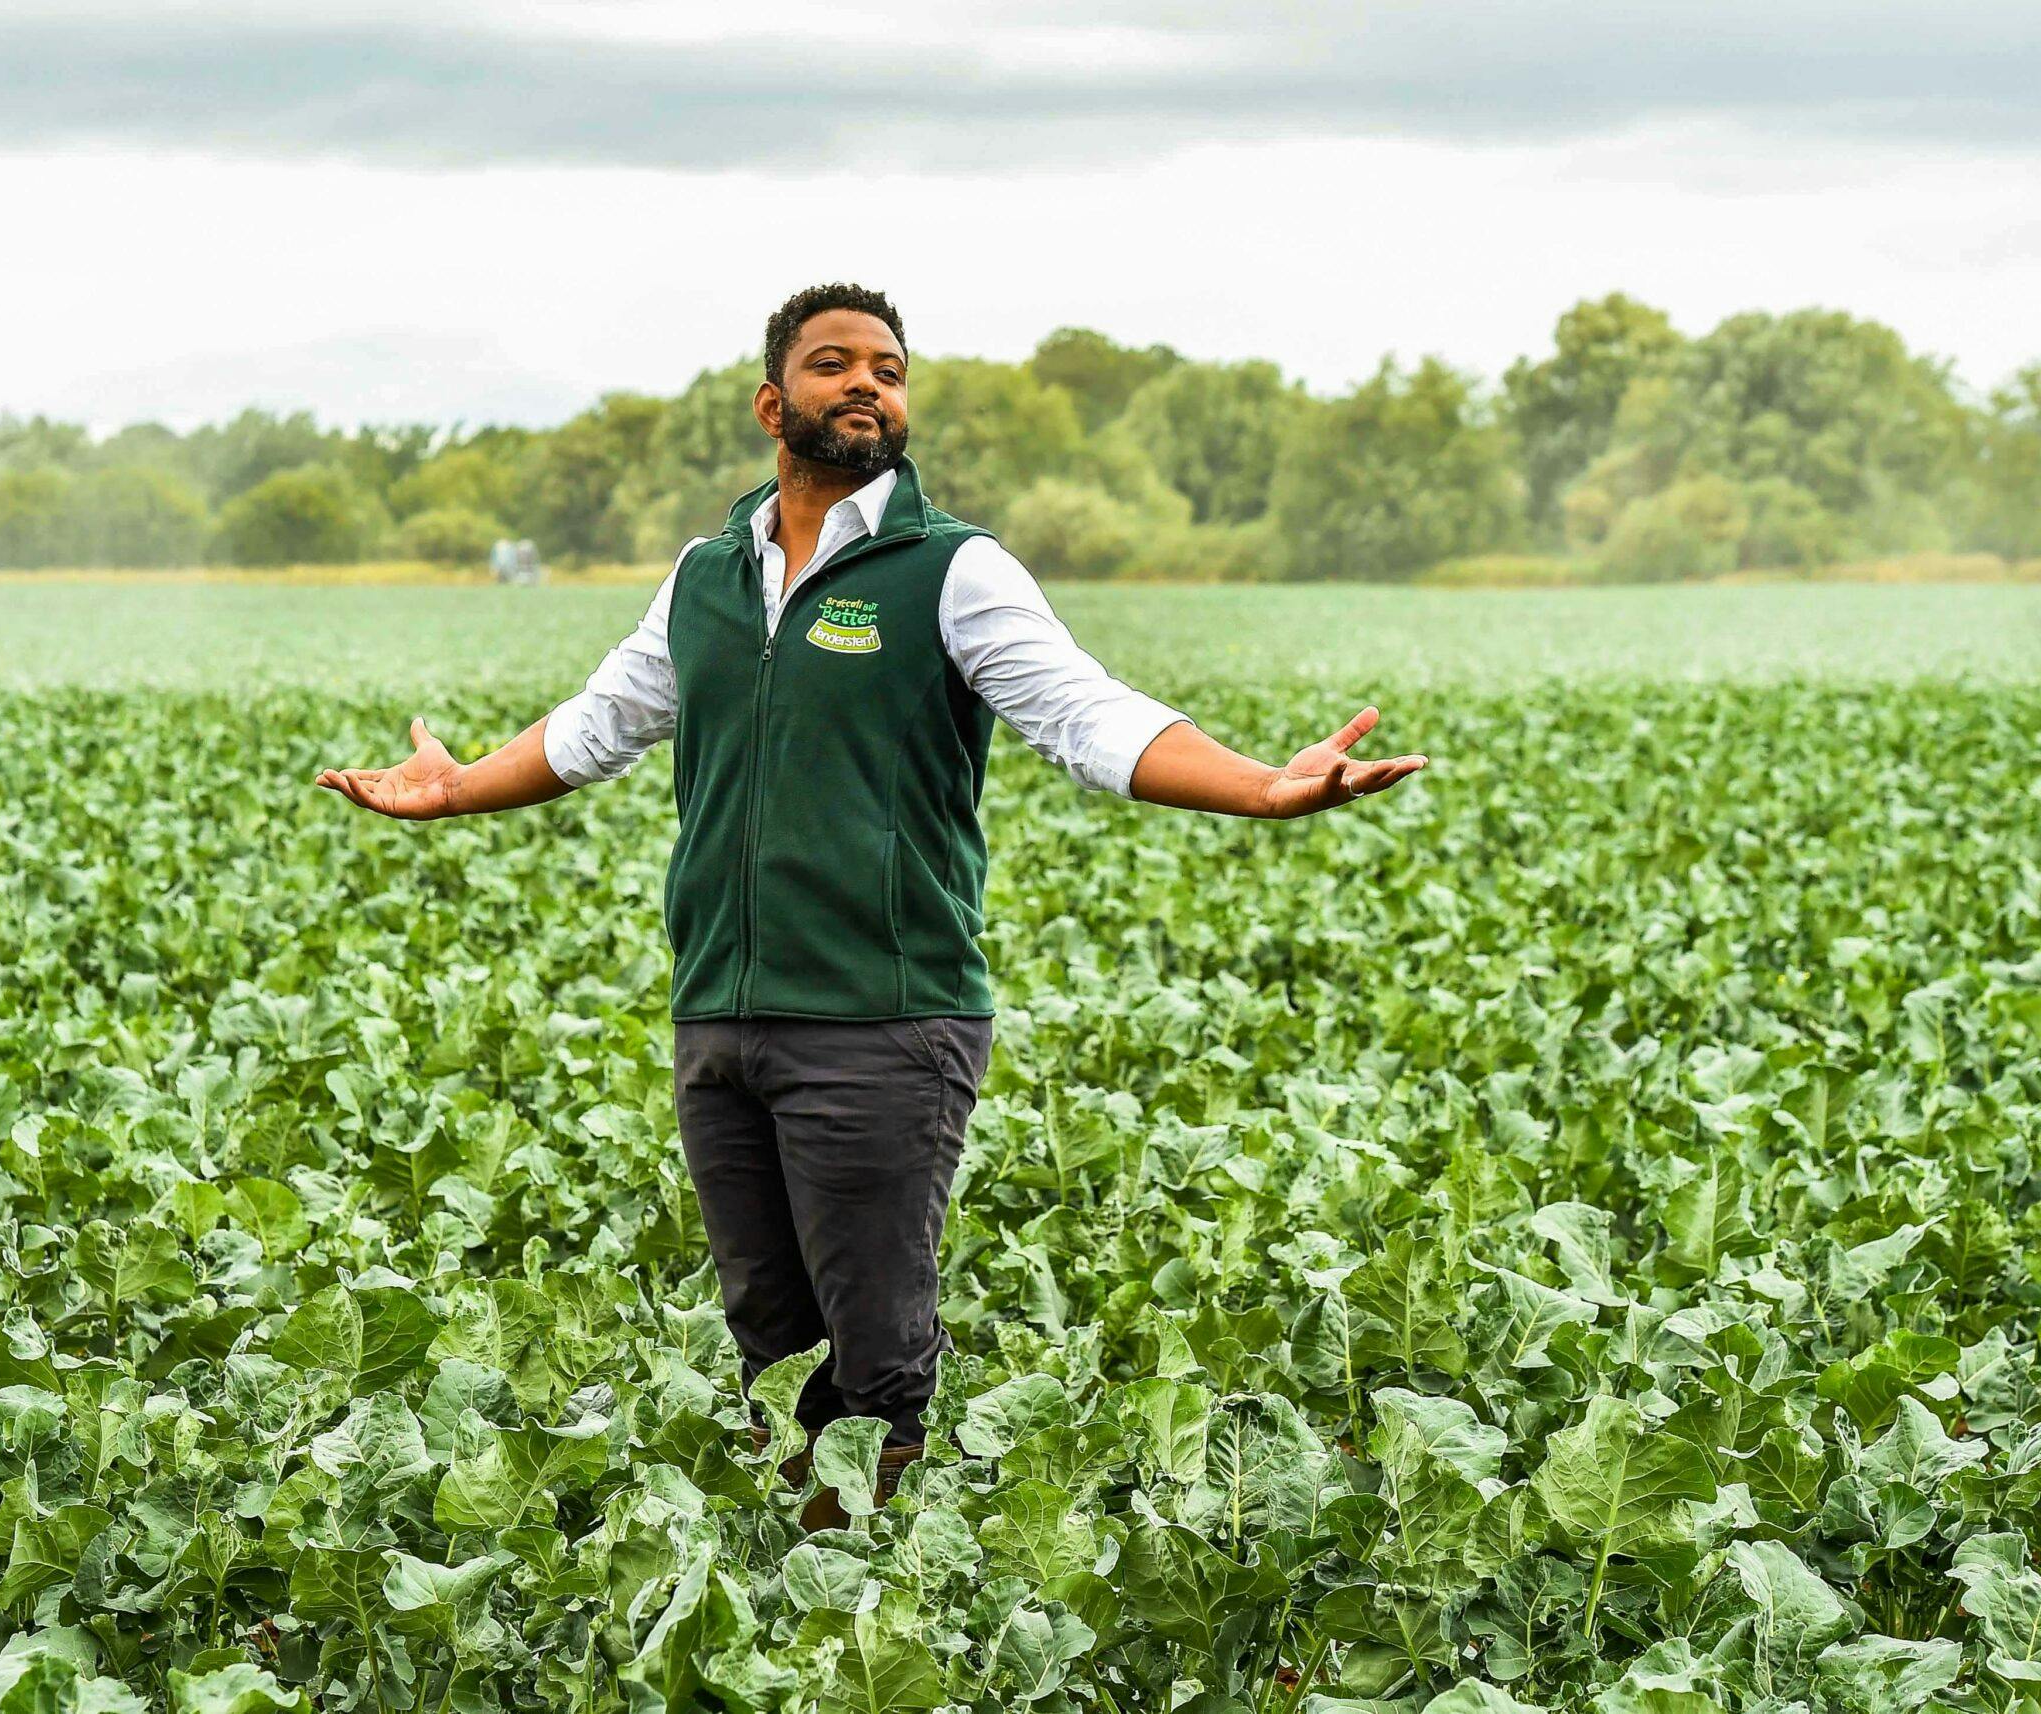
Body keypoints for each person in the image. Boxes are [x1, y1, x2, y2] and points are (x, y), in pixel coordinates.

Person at [318, 282, 1427, 1520]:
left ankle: (879, 1607)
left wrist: (1261, 788)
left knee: (873, 1365)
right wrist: (457, 789)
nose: (865, 386)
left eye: (887, 371)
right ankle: (794, 1605)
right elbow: (597, 726)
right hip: (720, 1023)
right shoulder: (707, 575)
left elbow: (1085, 713)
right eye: (834, 363)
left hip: (881, 1021)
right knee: (771, 1350)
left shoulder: (950, 570)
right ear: (769, 402)